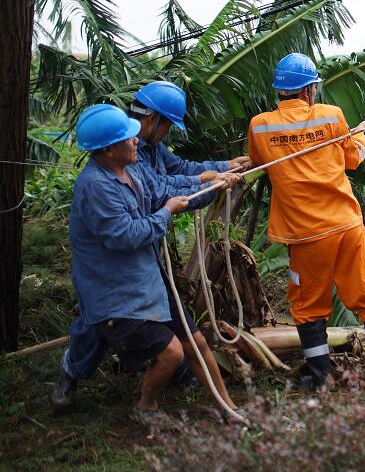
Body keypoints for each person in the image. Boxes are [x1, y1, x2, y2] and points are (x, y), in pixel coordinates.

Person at [52, 82, 243, 409]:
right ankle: (73, 373)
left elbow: (167, 183)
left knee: (176, 337)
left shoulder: (131, 160)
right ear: (153, 119)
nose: (136, 141)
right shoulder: (102, 180)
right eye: (167, 125)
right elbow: (136, 224)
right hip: (110, 279)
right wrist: (195, 192)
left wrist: (219, 174)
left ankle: (197, 384)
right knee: (96, 326)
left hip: (142, 267)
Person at [247, 53, 365, 389]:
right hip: (345, 224)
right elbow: (353, 159)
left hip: (305, 234)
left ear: (280, 91)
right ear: (308, 90)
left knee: (308, 306)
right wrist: (360, 136)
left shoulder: (260, 125)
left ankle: (319, 376)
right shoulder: (331, 115)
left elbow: (259, 161)